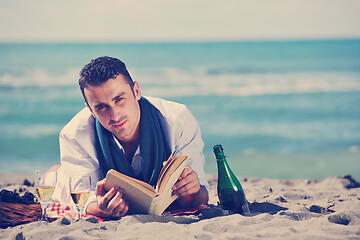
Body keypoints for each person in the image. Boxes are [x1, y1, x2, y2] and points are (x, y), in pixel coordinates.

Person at [52, 56, 209, 218]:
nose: (115, 115)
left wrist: (192, 189)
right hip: (66, 178)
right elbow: (82, 201)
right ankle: (55, 172)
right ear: (90, 110)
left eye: (119, 99)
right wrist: (102, 208)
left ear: (136, 91)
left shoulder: (178, 119)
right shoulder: (74, 135)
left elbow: (201, 194)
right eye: (101, 107)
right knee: (54, 179)